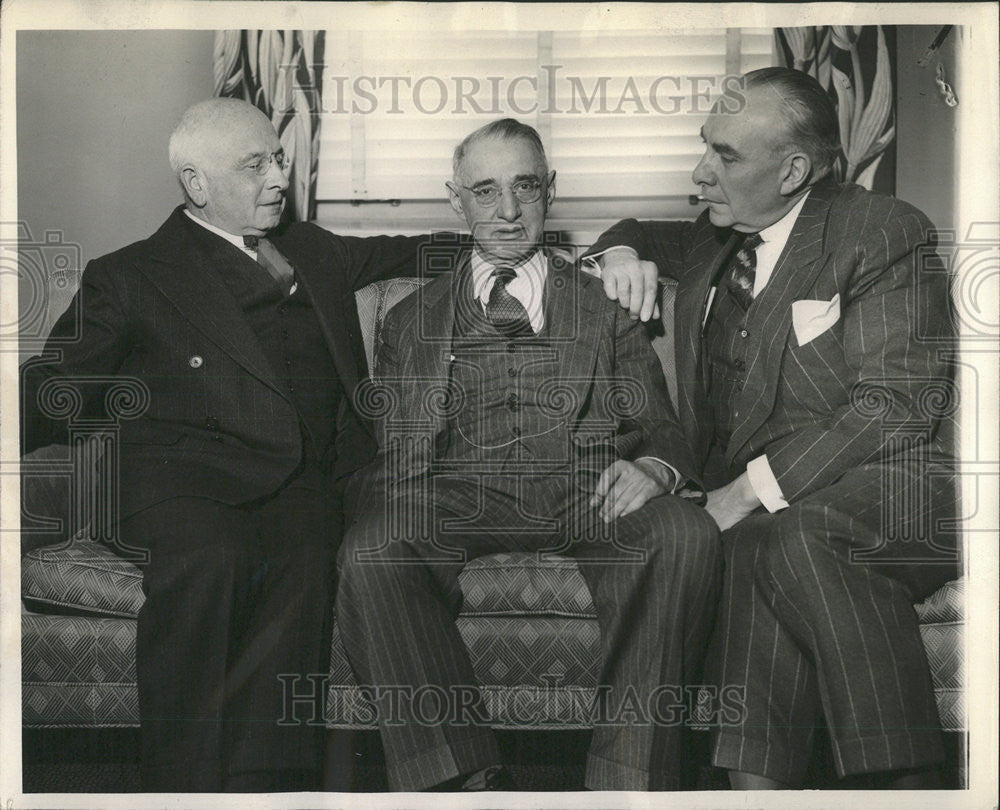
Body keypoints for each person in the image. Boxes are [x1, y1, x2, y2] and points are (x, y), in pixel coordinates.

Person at [19, 98, 659, 792]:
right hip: (179, 484)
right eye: (255, 165)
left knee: (304, 561)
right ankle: (184, 788)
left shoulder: (311, 248)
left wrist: (597, 256)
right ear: (197, 184)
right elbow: (54, 386)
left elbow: (457, 246)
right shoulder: (133, 275)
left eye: (281, 158)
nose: (278, 178)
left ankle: (270, 785)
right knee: (214, 558)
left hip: (300, 481)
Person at [586, 67, 959, 789]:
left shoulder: (881, 231)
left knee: (794, 533)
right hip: (775, 508)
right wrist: (620, 254)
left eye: (724, 156)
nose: (699, 173)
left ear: (792, 170)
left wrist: (745, 490)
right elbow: (629, 230)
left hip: (895, 483)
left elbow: (896, 406)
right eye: (705, 148)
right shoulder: (714, 236)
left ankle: (900, 786)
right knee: (763, 543)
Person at [335, 118, 722, 792]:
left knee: (683, 533)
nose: (509, 212)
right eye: (486, 192)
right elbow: (394, 453)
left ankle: (629, 781)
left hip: (587, 487)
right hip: (455, 491)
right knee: (373, 548)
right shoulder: (409, 316)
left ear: (552, 191)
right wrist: (392, 509)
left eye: (525, 188)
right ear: (456, 199)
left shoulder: (606, 304)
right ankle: (459, 780)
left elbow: (663, 427)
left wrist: (656, 469)